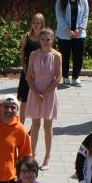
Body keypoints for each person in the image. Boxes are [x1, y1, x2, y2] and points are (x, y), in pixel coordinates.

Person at [26, 28, 62, 169]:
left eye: (48, 39)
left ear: (52, 39)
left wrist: (45, 92)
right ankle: (32, 154)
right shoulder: (33, 54)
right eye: (43, 39)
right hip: (35, 91)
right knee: (35, 125)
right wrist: (35, 92)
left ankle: (47, 157)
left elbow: (58, 77)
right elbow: (29, 76)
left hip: (49, 92)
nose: (45, 42)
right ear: (39, 40)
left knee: (48, 125)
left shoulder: (57, 55)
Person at [55, 0, 89, 87]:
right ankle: (65, 77)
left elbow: (85, 14)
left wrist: (80, 28)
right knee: (64, 56)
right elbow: (59, 15)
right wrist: (67, 30)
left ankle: (75, 78)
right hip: (65, 34)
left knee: (78, 57)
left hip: (79, 33)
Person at [17, 14, 45, 123]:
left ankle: (34, 127)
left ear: (42, 23)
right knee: (24, 100)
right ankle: (21, 125)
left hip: (40, 74)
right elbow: (22, 56)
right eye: (34, 22)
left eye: (38, 23)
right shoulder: (26, 36)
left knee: (36, 100)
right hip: (27, 72)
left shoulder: (44, 38)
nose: (36, 25)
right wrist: (26, 70)